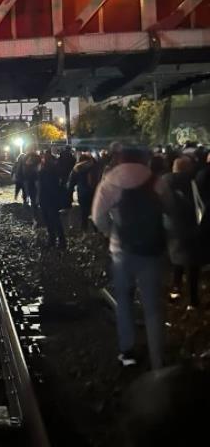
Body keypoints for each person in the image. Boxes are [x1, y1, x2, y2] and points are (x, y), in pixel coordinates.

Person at [92, 147, 166, 369]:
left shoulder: (110, 181)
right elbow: (170, 208)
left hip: (121, 252)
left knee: (123, 303)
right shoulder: (155, 180)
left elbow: (98, 217)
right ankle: (158, 362)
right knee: (153, 308)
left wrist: (110, 232)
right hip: (152, 252)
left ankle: (128, 353)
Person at [160, 157, 200, 308]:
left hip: (171, 227)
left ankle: (175, 294)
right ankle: (194, 300)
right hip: (191, 226)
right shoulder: (193, 181)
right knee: (193, 264)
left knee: (177, 263)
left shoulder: (163, 182)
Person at [37, 151, 67, 249]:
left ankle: (54, 240)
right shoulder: (54, 170)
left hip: (47, 198)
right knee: (54, 219)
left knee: (50, 220)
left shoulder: (44, 170)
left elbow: (41, 186)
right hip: (51, 198)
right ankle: (58, 240)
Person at [68, 150, 99, 232]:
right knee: (94, 212)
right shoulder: (95, 166)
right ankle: (97, 231)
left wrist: (69, 194)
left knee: (84, 213)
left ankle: (84, 230)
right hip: (94, 192)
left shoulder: (77, 168)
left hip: (82, 193)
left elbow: (71, 183)